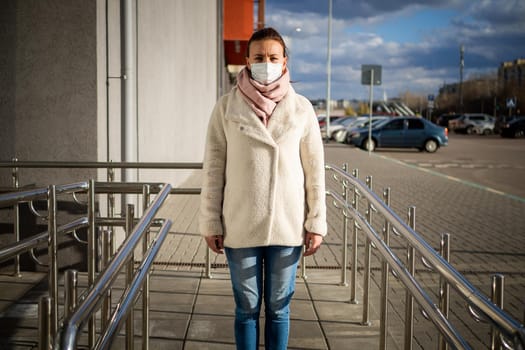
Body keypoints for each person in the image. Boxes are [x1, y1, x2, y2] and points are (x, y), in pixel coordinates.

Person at [199, 27, 327, 350]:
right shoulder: (226, 108)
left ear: (284, 63)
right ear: (247, 60)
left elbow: (315, 173)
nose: (265, 63)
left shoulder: (302, 110)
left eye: (272, 57)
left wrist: (316, 223)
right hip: (240, 225)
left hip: (287, 226)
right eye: (259, 57)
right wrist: (211, 221)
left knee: (279, 309)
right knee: (246, 309)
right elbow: (213, 170)